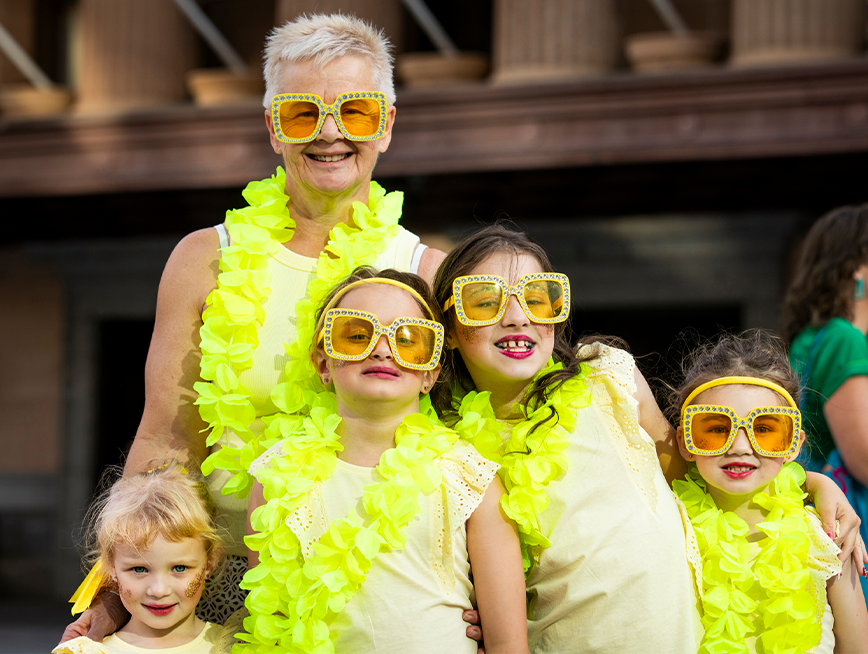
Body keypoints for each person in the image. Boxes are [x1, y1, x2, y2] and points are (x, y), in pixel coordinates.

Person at [62, 13, 446, 642]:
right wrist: (113, 592)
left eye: (355, 113)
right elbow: (165, 436)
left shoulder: (424, 273)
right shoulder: (203, 259)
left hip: (376, 576)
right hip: (221, 578)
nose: (329, 134)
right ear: (273, 128)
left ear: (387, 125)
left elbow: (464, 452)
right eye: (302, 114)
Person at [430, 223, 866, 653]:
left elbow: (696, 459)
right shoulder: (449, 450)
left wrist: (811, 483)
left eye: (537, 298)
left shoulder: (607, 380)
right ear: (448, 329)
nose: (517, 315)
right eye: (484, 302)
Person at [243, 268, 528, 653]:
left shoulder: (469, 476)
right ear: (323, 364)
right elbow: (268, 625)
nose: (381, 349)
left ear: (431, 371)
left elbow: (509, 645)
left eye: (408, 339)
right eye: (356, 335)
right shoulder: (274, 475)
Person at [672, 332, 868, 654]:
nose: (739, 446)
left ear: (794, 444)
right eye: (717, 428)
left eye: (764, 430)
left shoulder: (827, 540)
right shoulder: (670, 530)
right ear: (684, 441)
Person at [54, 462, 237, 654]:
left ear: (210, 562)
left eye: (180, 568)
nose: (159, 591)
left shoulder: (238, 648)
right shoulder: (83, 652)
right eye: (139, 569)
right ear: (110, 567)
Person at [784, 204, 868, 597]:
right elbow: (864, 458)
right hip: (853, 514)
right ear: (857, 268)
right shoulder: (844, 338)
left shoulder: (813, 335)